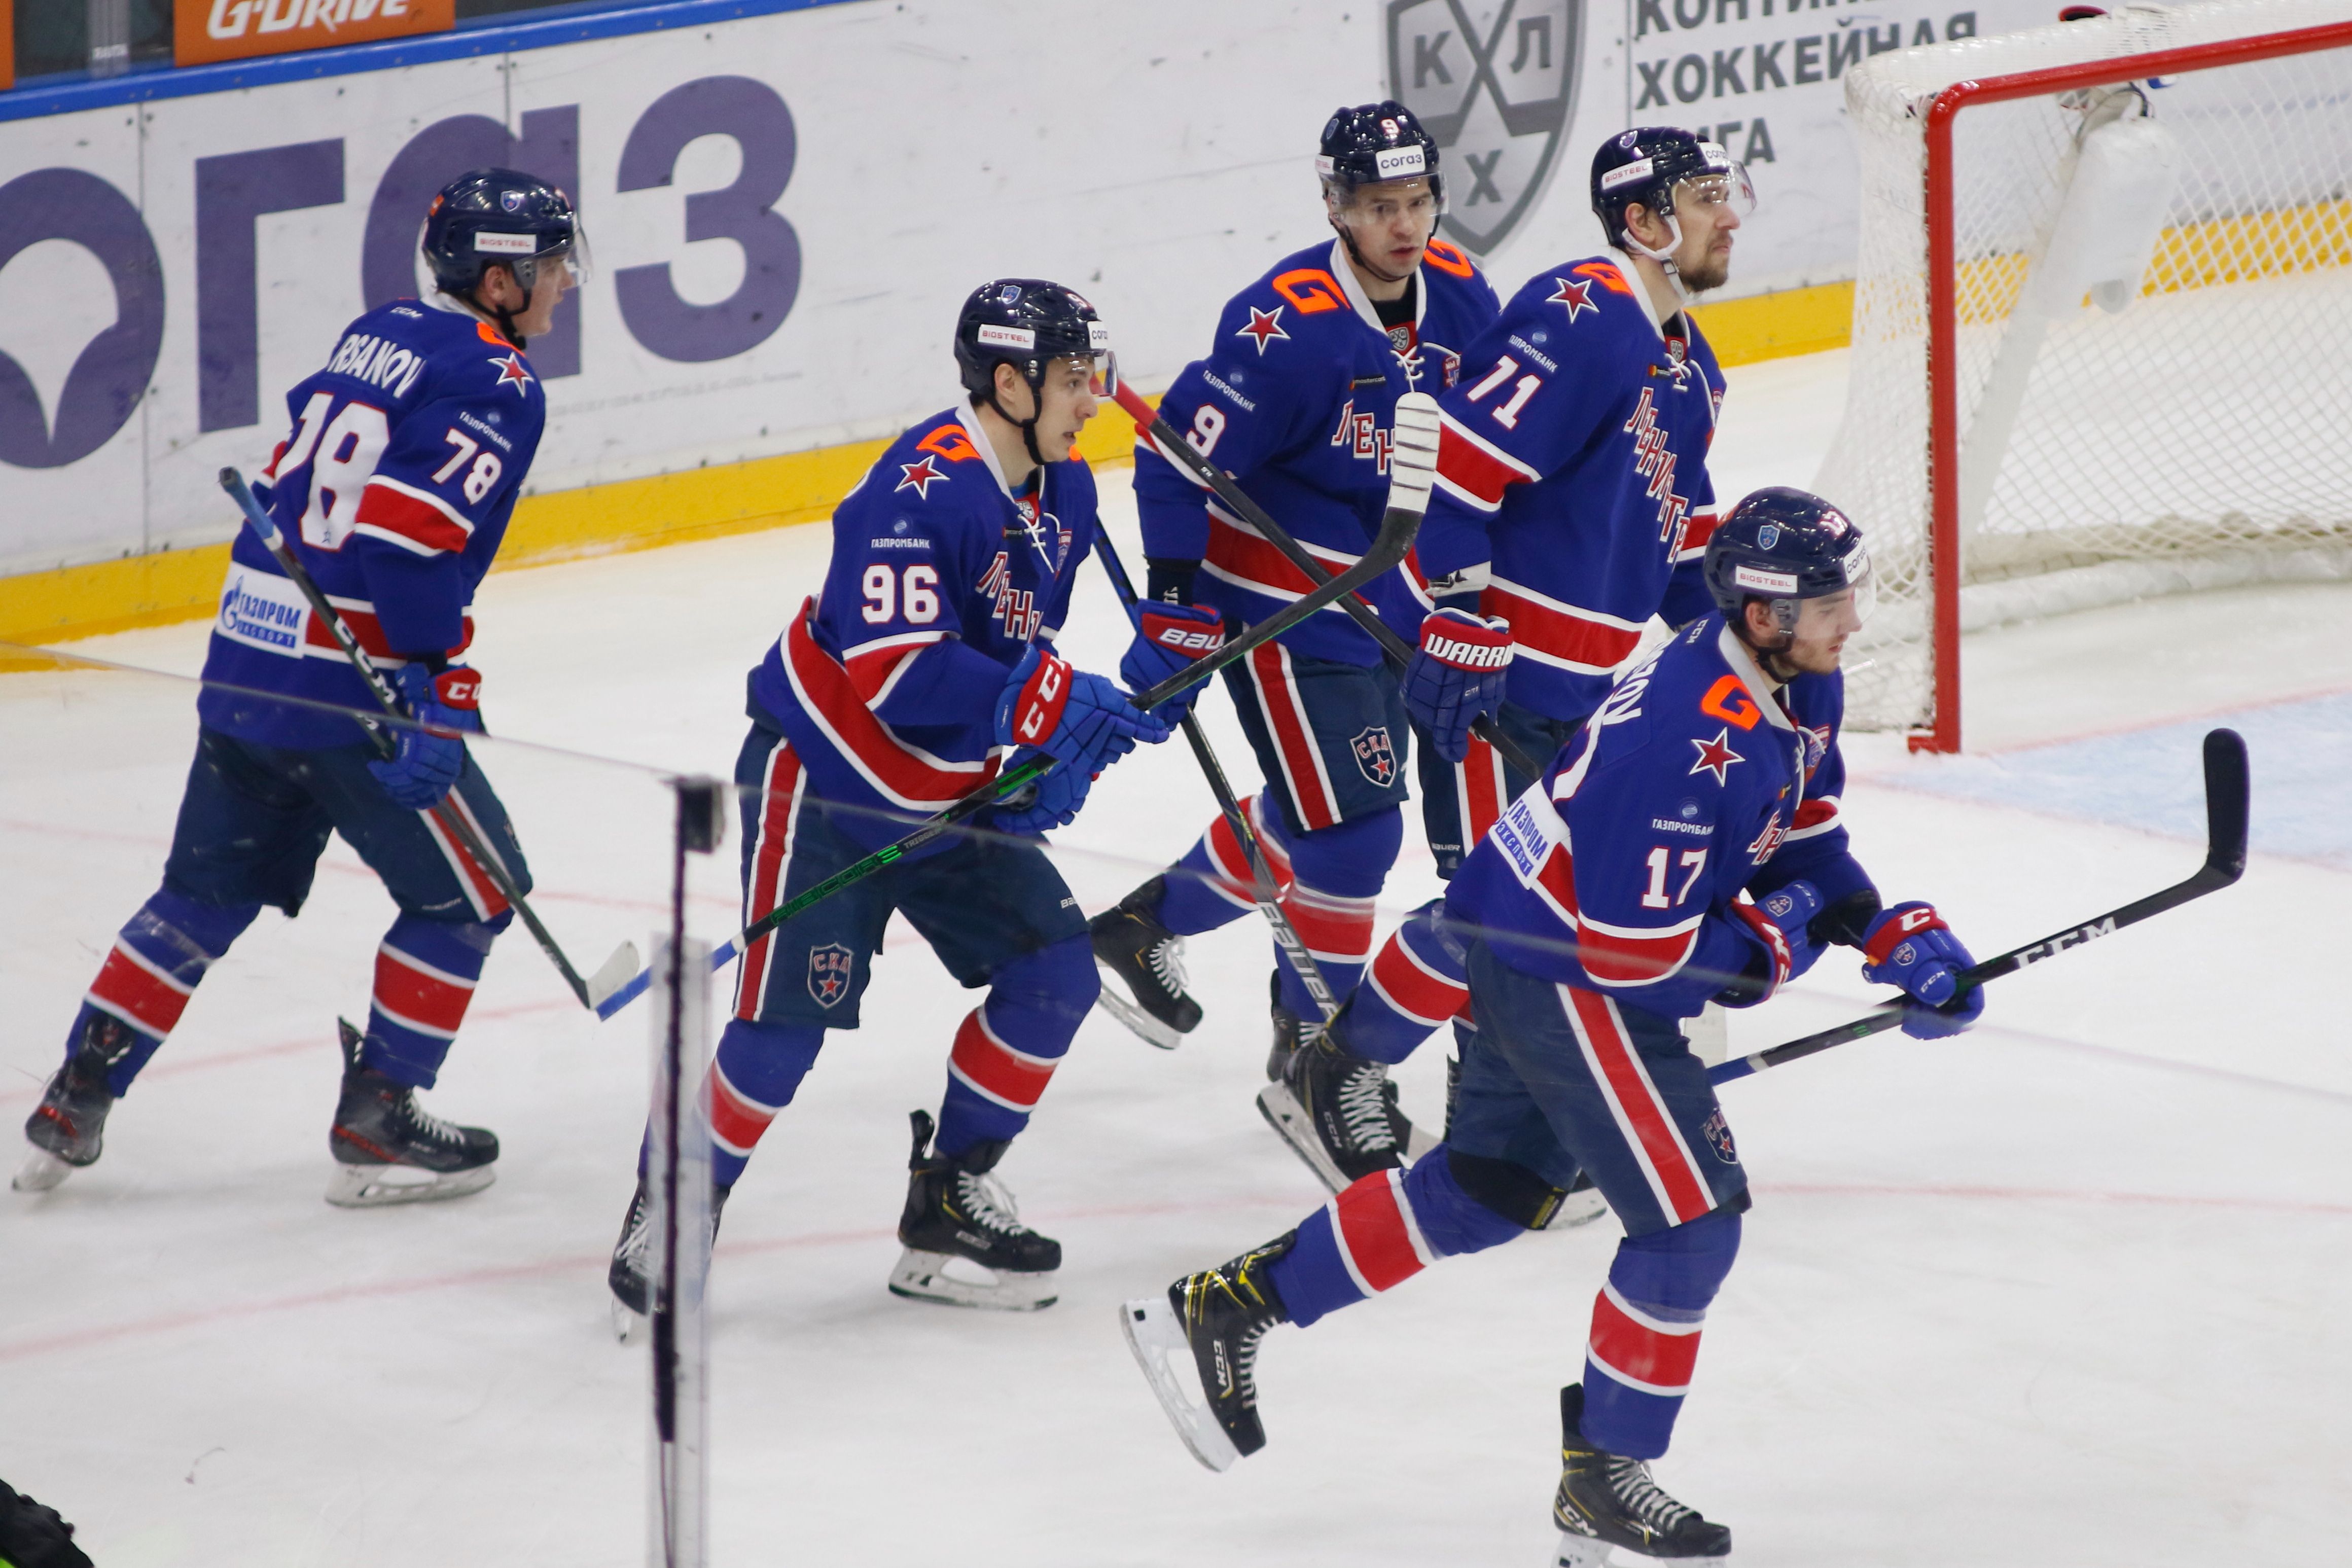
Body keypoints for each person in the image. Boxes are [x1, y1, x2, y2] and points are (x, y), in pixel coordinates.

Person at [1122, 489, 1985, 1565]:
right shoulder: (1686, 738)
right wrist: (1773, 950)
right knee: (1690, 1222)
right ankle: (1604, 1475)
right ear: (1764, 615)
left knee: (1485, 1191)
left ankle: (1229, 1305)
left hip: (1537, 948)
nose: (1851, 619)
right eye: (1828, 603)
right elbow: (1637, 959)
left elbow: (1800, 836)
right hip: (1572, 974)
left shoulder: (1798, 681)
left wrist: (1877, 927)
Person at [607, 280, 1180, 1324]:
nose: (1091, 399)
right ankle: (676, 1200)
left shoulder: (1065, 492)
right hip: (827, 780)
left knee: (1052, 972)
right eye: (1070, 379)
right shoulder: (922, 489)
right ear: (1008, 385)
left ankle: (948, 1196)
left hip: (942, 791)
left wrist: (1040, 760)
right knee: (784, 1028)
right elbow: (900, 672)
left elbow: (1011, 650)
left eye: (1092, 376)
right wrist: (1050, 707)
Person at [14, 168, 583, 1208]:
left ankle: (75, 1096)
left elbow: (298, 482)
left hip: (248, 658)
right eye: (550, 266)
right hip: (352, 690)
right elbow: (408, 538)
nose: (566, 282)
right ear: (498, 281)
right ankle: (379, 1122)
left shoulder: (380, 332)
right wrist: (438, 680)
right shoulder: (499, 379)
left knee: (203, 894)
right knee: (475, 891)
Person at [1282, 127, 1759, 1191]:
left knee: (1543, 913)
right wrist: (1456, 609)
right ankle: (1342, 1072)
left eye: (1728, 194)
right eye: (1704, 197)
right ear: (1641, 221)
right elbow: (1456, 468)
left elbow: (1683, 544)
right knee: (1492, 912)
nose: (1729, 216)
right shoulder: (1583, 313)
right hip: (1492, 677)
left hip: (1589, 693)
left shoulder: (1694, 367)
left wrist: (1744, 648)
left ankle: (1495, 1119)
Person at [1087, 100, 1501, 1130]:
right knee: (1353, 837)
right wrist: (1175, 601)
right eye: (1377, 205)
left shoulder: (1460, 292)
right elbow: (1174, 456)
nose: (1402, 225)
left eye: (1417, 201)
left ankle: (1145, 925)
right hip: (1287, 602)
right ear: (1334, 207)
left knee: (1320, 806)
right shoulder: (1284, 327)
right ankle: (1315, 1053)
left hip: (1398, 589)